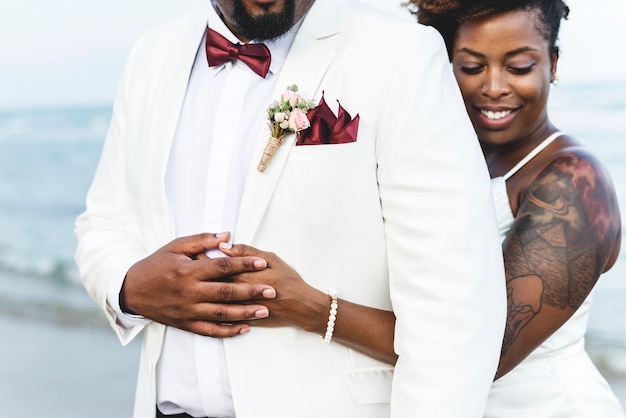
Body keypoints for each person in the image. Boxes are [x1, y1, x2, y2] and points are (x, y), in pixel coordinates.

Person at [74, 0, 507, 417]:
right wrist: (128, 285)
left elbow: (454, 304)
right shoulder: (152, 54)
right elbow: (105, 221)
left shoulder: (401, 54)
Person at [226, 0, 624, 416]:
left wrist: (312, 308)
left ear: (553, 64)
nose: (494, 86)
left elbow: (485, 350)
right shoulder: (442, 158)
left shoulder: (573, 181)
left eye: (519, 67)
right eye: (471, 67)